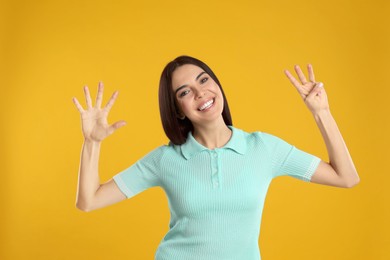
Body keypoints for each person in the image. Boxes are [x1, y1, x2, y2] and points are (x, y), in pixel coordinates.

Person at [72, 55, 360, 260]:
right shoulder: (166, 159)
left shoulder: (264, 148)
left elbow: (345, 177)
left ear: (217, 85)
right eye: (186, 92)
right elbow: (89, 200)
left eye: (204, 79)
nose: (201, 93)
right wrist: (92, 143)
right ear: (179, 110)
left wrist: (321, 113)